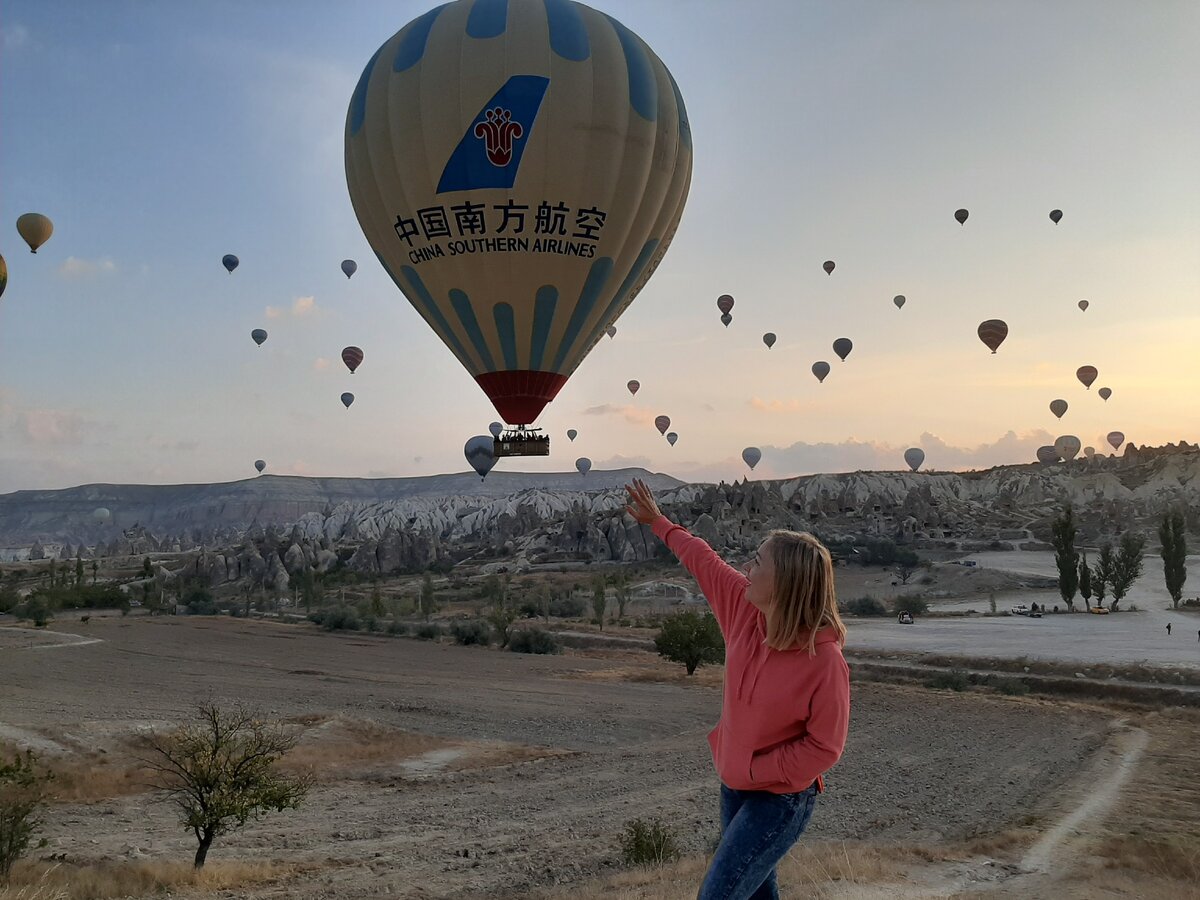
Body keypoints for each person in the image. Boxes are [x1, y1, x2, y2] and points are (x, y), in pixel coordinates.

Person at [624, 478, 850, 900]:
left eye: (758, 562)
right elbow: (703, 559)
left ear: (784, 583)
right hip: (735, 787)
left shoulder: (824, 662)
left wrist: (754, 769)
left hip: (781, 800)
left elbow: (825, 747)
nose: (747, 568)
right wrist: (658, 522)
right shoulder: (743, 611)